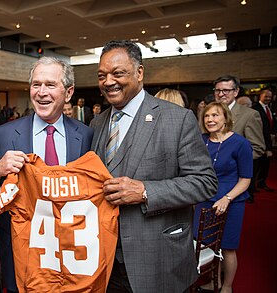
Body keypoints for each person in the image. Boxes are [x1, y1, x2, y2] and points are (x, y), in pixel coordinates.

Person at [90, 40, 217, 293]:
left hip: (157, 257)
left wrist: (146, 191)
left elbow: (205, 182)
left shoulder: (177, 119)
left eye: (118, 73)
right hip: (105, 259)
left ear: (139, 72)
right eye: (102, 75)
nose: (108, 82)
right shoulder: (96, 124)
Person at [0, 56, 93, 293]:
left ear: (68, 92)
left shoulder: (86, 135)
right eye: (36, 84)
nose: (41, 92)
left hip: (73, 253)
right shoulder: (2, 135)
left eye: (50, 85)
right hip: (23, 251)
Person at [194, 102, 253, 293]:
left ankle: (227, 286)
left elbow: (245, 179)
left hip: (231, 201)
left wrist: (226, 198)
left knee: (227, 247)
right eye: (207, 116)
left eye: (215, 115)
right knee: (205, 244)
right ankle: (213, 281)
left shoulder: (240, 143)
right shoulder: (201, 140)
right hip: (204, 200)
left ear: (225, 118)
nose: (210, 120)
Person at [213, 75, 265, 202]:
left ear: (236, 92)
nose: (221, 94)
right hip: (207, 179)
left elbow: (258, 148)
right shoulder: (207, 112)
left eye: (226, 90)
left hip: (233, 181)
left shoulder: (250, 115)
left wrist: (232, 162)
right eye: (217, 90)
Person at [252, 88, 275, 191]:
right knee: (256, 166)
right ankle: (252, 187)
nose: (268, 98)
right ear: (260, 96)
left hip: (268, 140)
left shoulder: (269, 108)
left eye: (270, 97)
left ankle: (261, 183)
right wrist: (267, 147)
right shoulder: (255, 108)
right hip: (259, 141)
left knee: (265, 165)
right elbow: (261, 128)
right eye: (266, 96)